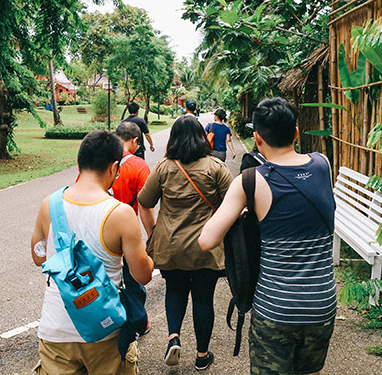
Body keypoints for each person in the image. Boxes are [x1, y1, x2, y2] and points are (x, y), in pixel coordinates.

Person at [199, 97, 337, 375]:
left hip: (276, 307)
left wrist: (242, 213)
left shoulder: (249, 181)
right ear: (296, 133)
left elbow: (207, 240)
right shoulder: (323, 165)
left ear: (257, 138)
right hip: (322, 304)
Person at [31, 130, 154, 375]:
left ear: (79, 162)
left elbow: (38, 256)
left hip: (56, 327)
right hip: (105, 328)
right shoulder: (120, 213)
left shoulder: (50, 203)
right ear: (114, 167)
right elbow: (143, 275)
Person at [138, 115, 233, 371]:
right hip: (207, 248)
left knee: (175, 290)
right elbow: (235, 205)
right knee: (203, 299)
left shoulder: (163, 168)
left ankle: (173, 339)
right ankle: (202, 355)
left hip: (171, 246)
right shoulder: (216, 168)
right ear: (202, 137)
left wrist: (153, 233)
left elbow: (144, 201)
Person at [113, 122, 155, 329]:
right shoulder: (139, 165)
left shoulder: (101, 159)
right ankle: (138, 322)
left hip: (99, 228)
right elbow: (145, 206)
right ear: (136, 141)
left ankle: (108, 319)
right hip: (127, 230)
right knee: (133, 277)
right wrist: (152, 235)